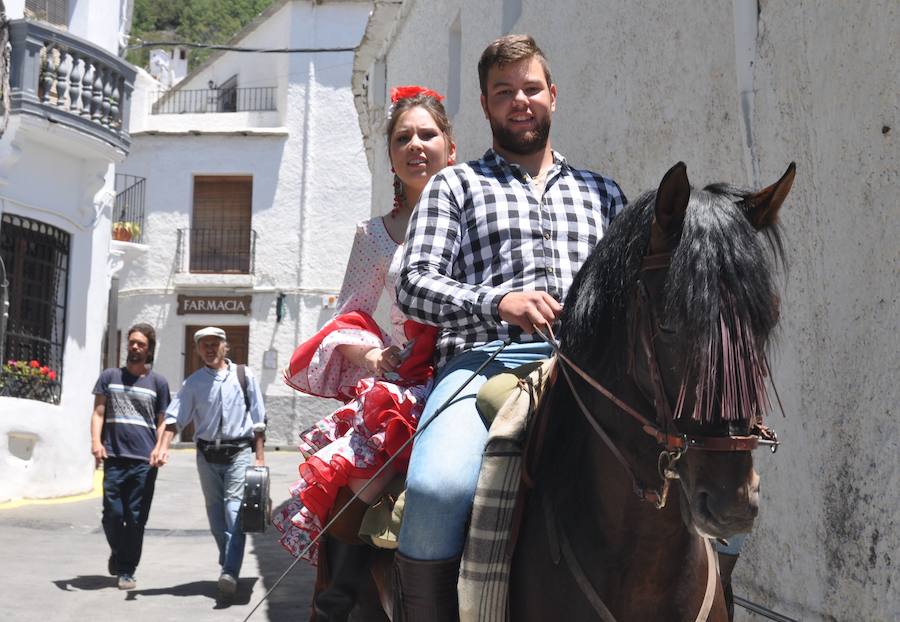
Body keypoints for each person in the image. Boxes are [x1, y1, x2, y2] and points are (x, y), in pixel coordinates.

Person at [393, 34, 627, 619]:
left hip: (587, 374)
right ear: (485, 105)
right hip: (483, 365)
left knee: (707, 476)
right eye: (504, 93)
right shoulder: (456, 185)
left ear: (553, 95)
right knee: (435, 491)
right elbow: (413, 283)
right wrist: (499, 303)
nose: (519, 102)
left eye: (530, 89)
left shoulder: (604, 192)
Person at [274, 86, 456, 621]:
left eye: (428, 134)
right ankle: (339, 603)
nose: (416, 145)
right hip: (405, 385)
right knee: (359, 481)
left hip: (467, 369)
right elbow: (348, 316)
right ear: (392, 156)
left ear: (450, 145)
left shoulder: (477, 221)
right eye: (404, 137)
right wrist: (375, 358)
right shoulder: (374, 237)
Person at [153, 326, 266, 601]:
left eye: (215, 343)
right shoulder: (193, 383)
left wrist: (259, 458)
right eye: (205, 345)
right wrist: (163, 448)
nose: (210, 348)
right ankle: (229, 557)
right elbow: (173, 419)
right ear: (197, 350)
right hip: (206, 457)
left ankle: (229, 571)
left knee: (233, 512)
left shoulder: (244, 376)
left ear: (225, 346)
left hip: (238, 452)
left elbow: (258, 420)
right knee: (216, 519)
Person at [91, 323, 170, 591]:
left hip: (144, 462)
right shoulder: (109, 376)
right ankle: (119, 552)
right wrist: (95, 443)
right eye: (132, 342)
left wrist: (160, 448)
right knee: (111, 515)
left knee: (135, 518)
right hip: (114, 456)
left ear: (149, 350)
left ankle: (126, 570)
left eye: (141, 344)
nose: (135, 347)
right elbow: (99, 413)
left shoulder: (158, 383)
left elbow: (163, 421)